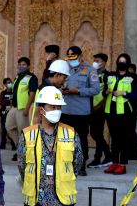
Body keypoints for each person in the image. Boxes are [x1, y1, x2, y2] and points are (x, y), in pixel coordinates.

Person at [18, 86, 83, 206]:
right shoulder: (28, 135)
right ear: (41, 110)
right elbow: (22, 165)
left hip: (62, 199)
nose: (57, 110)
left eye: (59, 107)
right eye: (52, 107)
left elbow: (77, 163)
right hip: (36, 200)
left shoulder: (70, 133)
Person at [60, 46, 100, 176]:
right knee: (65, 139)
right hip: (66, 111)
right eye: (69, 57)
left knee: (81, 139)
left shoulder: (90, 70)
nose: (71, 60)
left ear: (80, 56)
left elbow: (95, 90)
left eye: (74, 56)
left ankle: (81, 165)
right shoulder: (64, 70)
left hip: (81, 112)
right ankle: (67, 163)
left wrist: (78, 91)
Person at [103, 54, 137, 175]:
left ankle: (122, 164)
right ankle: (114, 162)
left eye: (123, 62)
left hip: (125, 112)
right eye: (119, 61)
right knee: (114, 138)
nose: (121, 63)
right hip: (110, 111)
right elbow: (103, 92)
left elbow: (136, 96)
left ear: (128, 63)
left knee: (123, 139)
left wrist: (123, 92)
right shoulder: (111, 75)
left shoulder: (133, 78)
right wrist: (106, 91)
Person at [6, 57, 38, 161]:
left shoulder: (32, 78)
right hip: (14, 108)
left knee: (24, 132)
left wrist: (27, 108)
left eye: (24, 65)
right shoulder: (17, 77)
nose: (21, 66)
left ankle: (26, 153)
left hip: (24, 108)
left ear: (28, 66)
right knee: (9, 126)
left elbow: (32, 93)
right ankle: (21, 148)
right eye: (20, 64)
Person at [87, 53, 113, 168]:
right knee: (95, 133)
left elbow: (108, 92)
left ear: (104, 62)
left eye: (98, 60)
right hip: (91, 108)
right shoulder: (92, 74)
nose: (95, 63)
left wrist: (99, 104)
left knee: (96, 133)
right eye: (95, 60)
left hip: (101, 108)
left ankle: (100, 157)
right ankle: (106, 156)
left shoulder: (108, 76)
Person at [30, 59, 70, 125]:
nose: (64, 82)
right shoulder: (46, 90)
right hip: (41, 129)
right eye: (64, 78)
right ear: (57, 75)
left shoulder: (45, 87)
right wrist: (35, 131)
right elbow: (36, 111)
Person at [127, 63, 137, 160]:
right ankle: (131, 153)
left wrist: (125, 94)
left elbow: (135, 96)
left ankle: (134, 154)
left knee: (131, 131)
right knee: (129, 131)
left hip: (134, 109)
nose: (129, 71)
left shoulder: (135, 80)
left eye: (131, 69)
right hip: (128, 108)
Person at [0, 78, 15, 150]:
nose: (10, 84)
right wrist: (10, 102)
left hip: (12, 114)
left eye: (11, 82)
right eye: (8, 83)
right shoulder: (3, 93)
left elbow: (15, 102)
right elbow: (1, 102)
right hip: (4, 113)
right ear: (5, 84)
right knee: (4, 130)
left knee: (12, 129)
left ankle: (13, 144)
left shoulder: (14, 93)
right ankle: (3, 144)